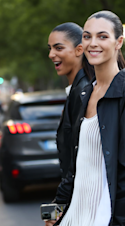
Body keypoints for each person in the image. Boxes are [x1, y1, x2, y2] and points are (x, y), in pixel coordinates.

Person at [48, 10, 125, 226]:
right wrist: (56, 211)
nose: (92, 43)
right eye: (87, 36)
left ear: (118, 42)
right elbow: (74, 166)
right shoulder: (84, 94)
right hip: (76, 215)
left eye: (102, 36)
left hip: (107, 217)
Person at [47, 22, 94, 181]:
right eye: (50, 48)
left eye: (58, 48)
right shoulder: (77, 90)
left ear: (79, 50)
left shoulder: (85, 93)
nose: (51, 54)